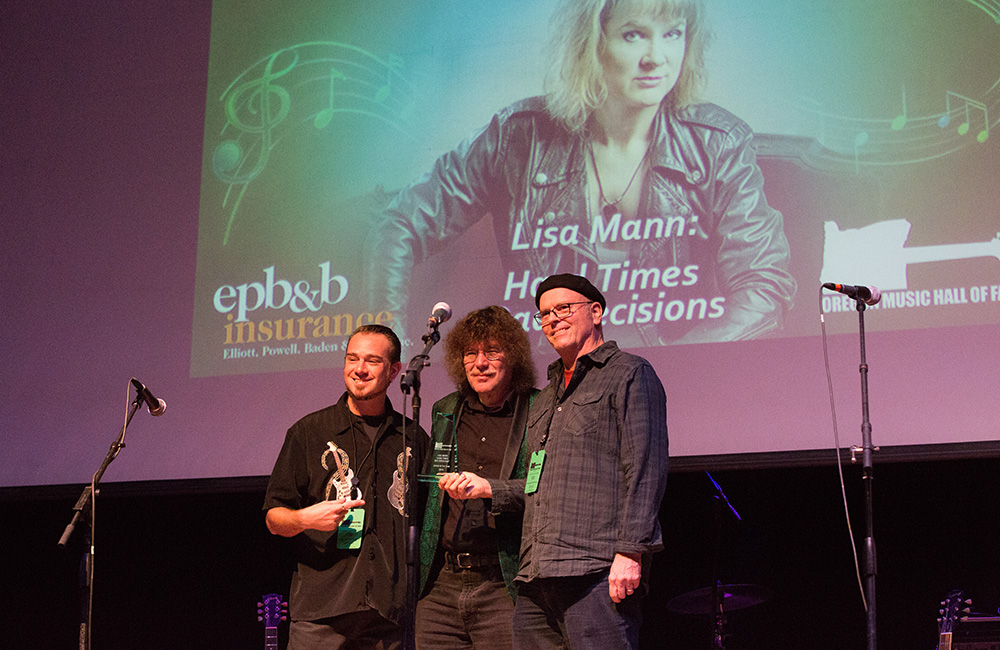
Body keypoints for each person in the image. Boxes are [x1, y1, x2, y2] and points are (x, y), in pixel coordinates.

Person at [366, 0, 796, 349]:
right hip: (546, 390)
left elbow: (763, 283)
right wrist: (388, 342)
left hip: (671, 391)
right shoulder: (520, 137)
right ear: (592, 43)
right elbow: (399, 224)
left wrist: (686, 362)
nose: (655, 57)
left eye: (672, 34)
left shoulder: (718, 143)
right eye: (634, 34)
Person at [513, 273, 668, 649]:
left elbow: (646, 469)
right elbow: (539, 479)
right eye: (544, 314)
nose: (552, 319)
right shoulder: (546, 395)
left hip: (596, 571)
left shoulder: (629, 372)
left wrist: (631, 552)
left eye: (563, 308)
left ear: (595, 312)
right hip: (536, 574)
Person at [263, 324, 427, 650]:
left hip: (390, 615)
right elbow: (273, 518)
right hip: (321, 613)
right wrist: (306, 519)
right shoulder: (308, 432)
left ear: (394, 371)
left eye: (372, 361)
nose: (359, 369)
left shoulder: (413, 438)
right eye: (352, 359)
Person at [415, 306, 538, 649]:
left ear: (512, 357)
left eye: (492, 352)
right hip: (442, 585)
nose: (480, 363)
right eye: (471, 353)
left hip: (505, 582)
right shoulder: (445, 408)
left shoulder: (538, 409)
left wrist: (490, 489)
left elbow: (547, 490)